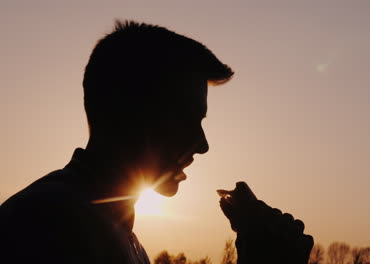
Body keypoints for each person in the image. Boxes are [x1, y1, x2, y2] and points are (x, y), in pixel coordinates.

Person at [0, 20, 313, 264]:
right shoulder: (50, 227)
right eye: (186, 118)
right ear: (125, 110)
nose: (202, 144)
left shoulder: (111, 233)